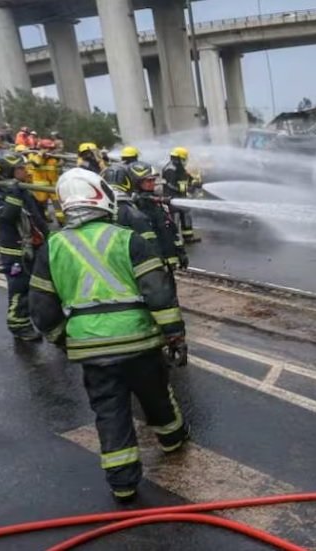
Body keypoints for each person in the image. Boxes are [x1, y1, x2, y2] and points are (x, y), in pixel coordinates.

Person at [28, 168, 189, 504]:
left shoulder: (53, 248)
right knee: (156, 393)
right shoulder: (127, 239)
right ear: (102, 196)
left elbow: (41, 309)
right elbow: (157, 291)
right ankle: (173, 439)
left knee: (110, 411)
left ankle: (123, 484)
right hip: (139, 341)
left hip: (91, 350)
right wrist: (173, 333)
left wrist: (65, 339)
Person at [0, 150, 49, 340]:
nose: (25, 171)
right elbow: (4, 217)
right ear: (7, 171)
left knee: (44, 285)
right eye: (19, 168)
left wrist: (49, 237)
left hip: (35, 246)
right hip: (15, 251)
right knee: (20, 288)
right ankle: (18, 325)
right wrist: (13, 193)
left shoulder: (22, 188)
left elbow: (37, 217)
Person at [130, 160, 188, 271]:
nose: (153, 183)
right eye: (148, 181)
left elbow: (171, 230)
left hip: (166, 263)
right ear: (137, 182)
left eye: (153, 180)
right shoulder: (135, 208)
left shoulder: (158, 204)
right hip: (150, 265)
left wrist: (180, 252)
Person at [101, 163, 162, 258]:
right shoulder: (134, 214)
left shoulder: (97, 213)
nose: (153, 183)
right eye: (149, 180)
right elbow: (150, 247)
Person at [161, 147, 200, 243]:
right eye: (183, 159)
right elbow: (171, 185)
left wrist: (195, 182)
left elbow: (187, 177)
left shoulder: (179, 168)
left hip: (182, 197)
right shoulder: (170, 169)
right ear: (177, 158)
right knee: (175, 220)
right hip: (172, 198)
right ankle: (174, 240)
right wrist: (186, 189)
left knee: (186, 216)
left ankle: (188, 237)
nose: (184, 161)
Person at [27, 139, 62, 223]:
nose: (50, 151)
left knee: (58, 206)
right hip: (41, 188)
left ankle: (61, 220)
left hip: (53, 186)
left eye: (51, 149)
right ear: (42, 148)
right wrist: (40, 155)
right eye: (47, 148)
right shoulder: (35, 157)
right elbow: (36, 163)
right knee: (43, 205)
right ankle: (45, 219)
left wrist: (59, 161)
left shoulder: (53, 159)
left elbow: (59, 169)